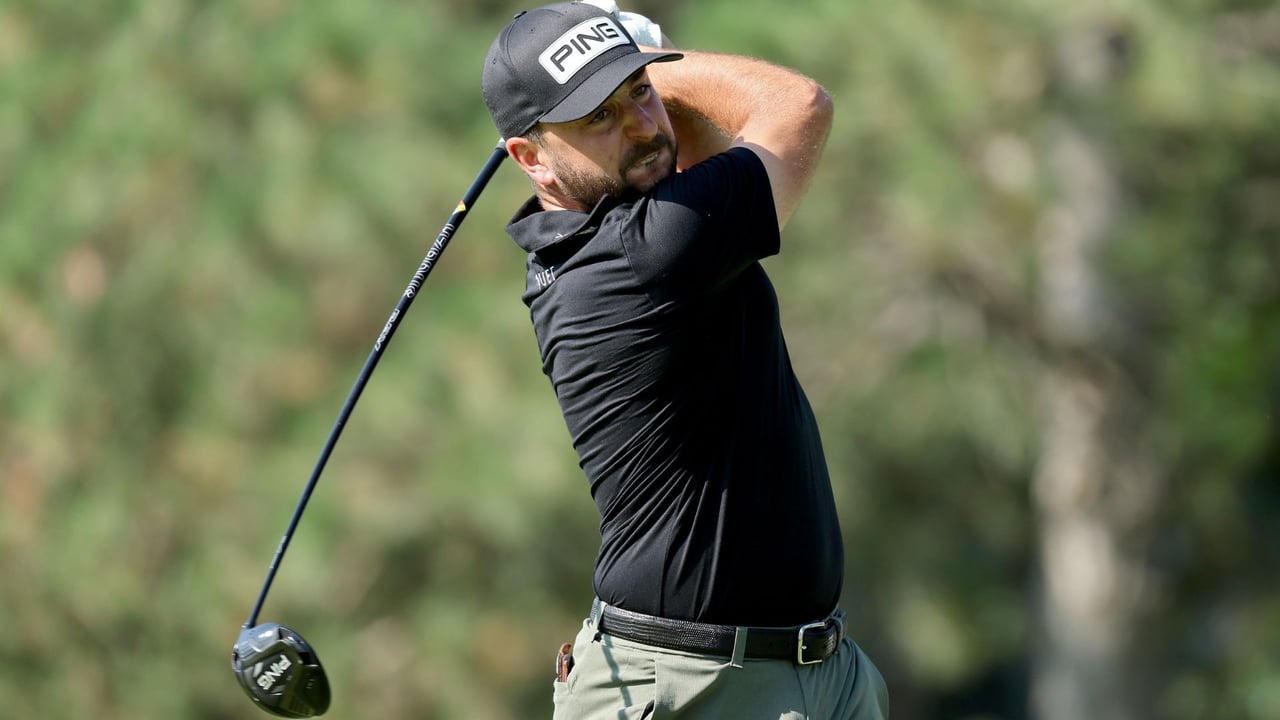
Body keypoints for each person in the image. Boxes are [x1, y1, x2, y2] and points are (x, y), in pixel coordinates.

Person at [480, 2, 889, 718]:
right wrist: (661, 62)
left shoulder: (618, 232)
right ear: (530, 157)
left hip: (817, 673)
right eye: (598, 117)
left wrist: (633, 71)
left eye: (639, 93)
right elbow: (798, 107)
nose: (639, 124)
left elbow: (676, 151)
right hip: (686, 690)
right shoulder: (641, 255)